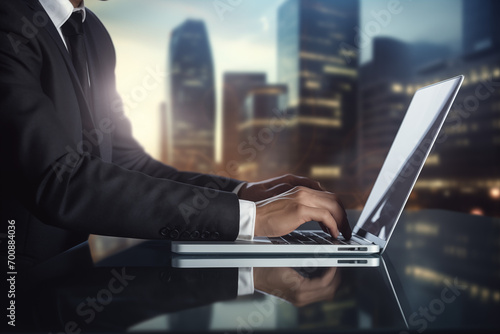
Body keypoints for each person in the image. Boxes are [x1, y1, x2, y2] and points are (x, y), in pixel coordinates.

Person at [0, 0, 351, 265]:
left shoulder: (92, 32)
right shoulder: (9, 21)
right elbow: (58, 180)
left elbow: (126, 161)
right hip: (14, 292)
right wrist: (250, 220)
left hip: (66, 284)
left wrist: (243, 196)